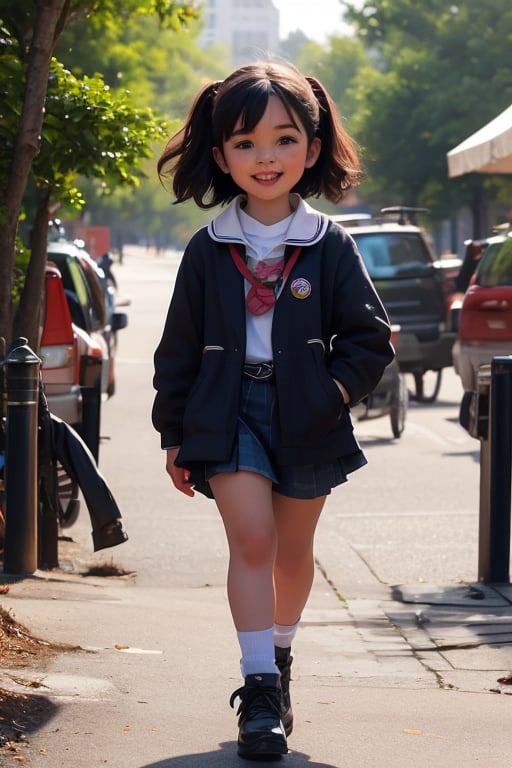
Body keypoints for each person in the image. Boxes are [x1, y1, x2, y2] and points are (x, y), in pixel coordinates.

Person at [152, 61, 394, 760]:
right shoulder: (206, 249)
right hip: (227, 411)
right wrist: (175, 431)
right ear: (222, 156)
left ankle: (280, 658)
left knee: (291, 555)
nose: (266, 157)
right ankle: (258, 691)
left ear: (312, 149)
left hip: (308, 415)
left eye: (284, 140)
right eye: (245, 143)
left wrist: (330, 394)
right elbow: (177, 352)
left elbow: (369, 340)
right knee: (252, 543)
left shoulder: (332, 244)